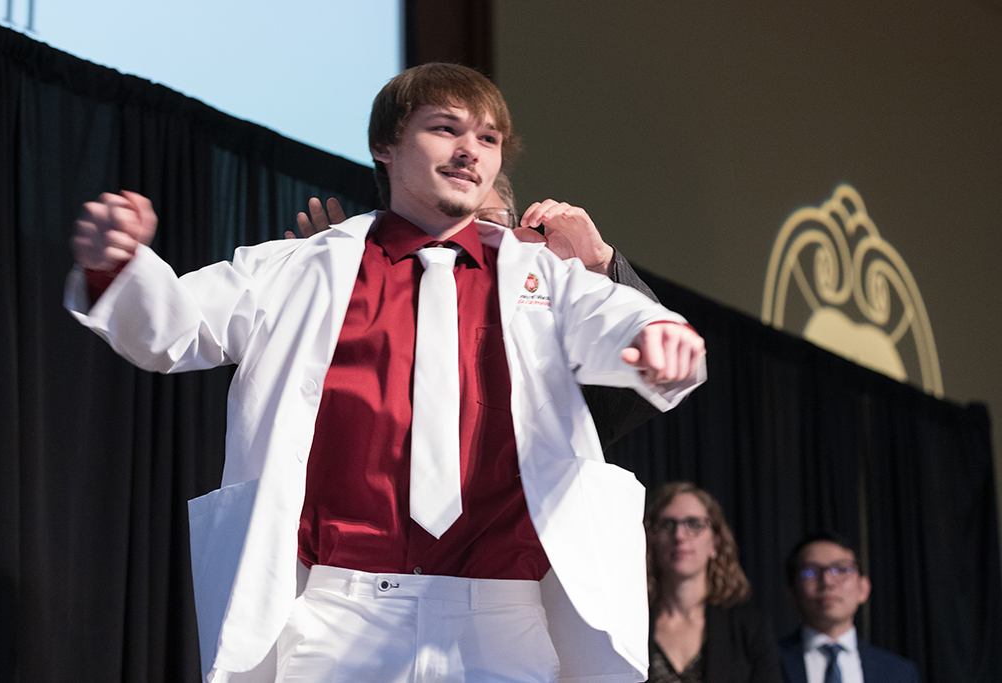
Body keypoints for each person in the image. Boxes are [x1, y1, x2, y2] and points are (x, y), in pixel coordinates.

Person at [66, 63, 706, 683]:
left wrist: (657, 336)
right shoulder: (303, 268)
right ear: (385, 145)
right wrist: (119, 270)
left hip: (502, 619)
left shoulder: (541, 275)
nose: (469, 152)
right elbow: (177, 327)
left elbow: (613, 317)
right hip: (341, 614)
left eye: (488, 138)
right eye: (445, 129)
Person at [292, 173, 663, 450]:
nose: (468, 240)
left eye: (487, 222)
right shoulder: (368, 321)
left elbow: (651, 378)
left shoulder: (557, 330)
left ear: (520, 233)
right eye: (450, 226)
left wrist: (599, 264)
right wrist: (335, 304)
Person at [645, 481, 781, 683]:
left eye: (693, 524)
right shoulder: (630, 624)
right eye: (667, 525)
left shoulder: (750, 625)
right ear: (652, 540)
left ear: (715, 544)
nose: (679, 535)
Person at [779, 531, 919, 683]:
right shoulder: (769, 662)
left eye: (841, 569)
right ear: (791, 591)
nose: (827, 582)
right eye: (811, 572)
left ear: (863, 589)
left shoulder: (899, 672)